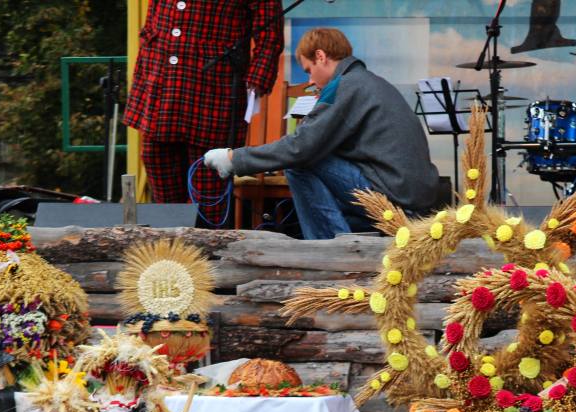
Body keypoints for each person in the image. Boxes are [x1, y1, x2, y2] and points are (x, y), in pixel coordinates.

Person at [204, 28, 440, 240]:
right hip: (412, 198)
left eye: (309, 71)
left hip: (395, 201)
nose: (310, 81)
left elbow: (300, 147)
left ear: (320, 56)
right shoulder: (368, 83)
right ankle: (345, 236)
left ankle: (328, 248)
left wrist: (235, 158)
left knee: (299, 163)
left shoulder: (343, 86)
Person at [123, 0, 284, 227]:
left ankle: (207, 251)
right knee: (155, 157)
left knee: (208, 178)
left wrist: (257, 81)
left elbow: (270, 35)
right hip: (161, 81)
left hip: (213, 88)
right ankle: (169, 246)